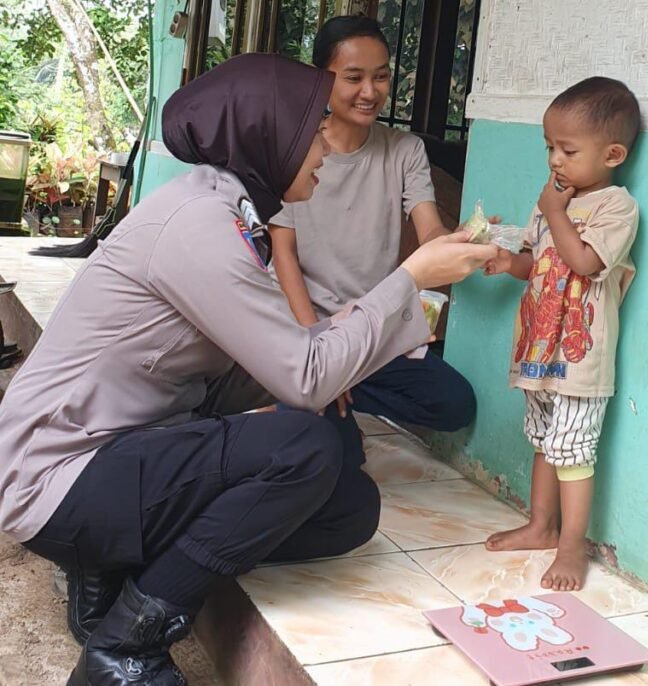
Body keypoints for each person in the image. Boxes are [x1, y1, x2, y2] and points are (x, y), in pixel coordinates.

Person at [0, 54, 497, 686]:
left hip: (126, 450)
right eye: (313, 130)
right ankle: (127, 643)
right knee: (305, 442)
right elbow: (304, 373)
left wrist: (324, 362)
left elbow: (280, 358)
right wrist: (410, 279)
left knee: (348, 504)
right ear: (269, 136)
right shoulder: (200, 225)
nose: (325, 148)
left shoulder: (228, 210)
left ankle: (118, 567)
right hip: (62, 473)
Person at [270, 16, 475, 464]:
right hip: (310, 329)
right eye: (354, 77)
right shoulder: (294, 149)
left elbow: (430, 233)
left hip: (375, 331)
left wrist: (462, 240)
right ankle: (299, 393)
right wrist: (320, 355)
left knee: (455, 404)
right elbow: (283, 255)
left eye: (380, 76)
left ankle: (344, 391)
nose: (370, 91)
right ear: (321, 78)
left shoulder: (404, 150)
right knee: (333, 456)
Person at [482, 77, 641, 592]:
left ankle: (572, 544)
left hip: (581, 357)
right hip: (539, 350)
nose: (554, 160)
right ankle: (540, 525)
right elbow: (542, 264)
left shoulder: (616, 208)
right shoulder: (551, 202)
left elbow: (585, 261)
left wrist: (554, 210)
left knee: (573, 450)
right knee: (544, 442)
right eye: (549, 147)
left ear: (612, 153)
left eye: (568, 149)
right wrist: (510, 262)